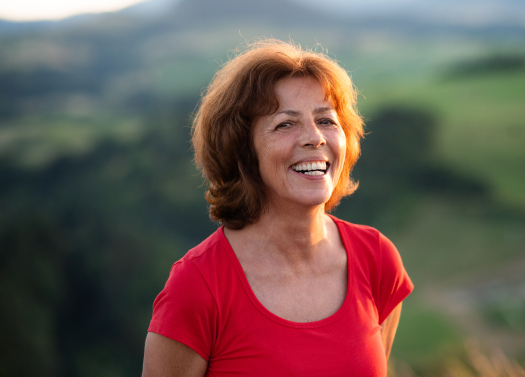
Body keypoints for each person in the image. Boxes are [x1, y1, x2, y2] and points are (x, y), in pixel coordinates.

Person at [142, 39, 413, 376]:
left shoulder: (377, 259)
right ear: (243, 152)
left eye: (327, 120)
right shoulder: (197, 287)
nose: (314, 137)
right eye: (286, 124)